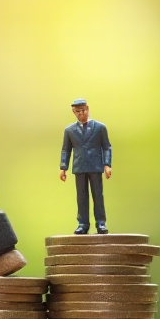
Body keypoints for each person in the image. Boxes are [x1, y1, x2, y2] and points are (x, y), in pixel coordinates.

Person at [59, 98, 112, 234]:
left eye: (82, 110)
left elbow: (106, 147)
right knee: (81, 196)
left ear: (87, 109)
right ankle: (82, 224)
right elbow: (66, 149)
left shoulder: (100, 128)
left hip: (95, 165)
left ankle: (101, 223)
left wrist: (107, 164)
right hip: (79, 166)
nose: (80, 114)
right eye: (77, 111)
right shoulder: (69, 130)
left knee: (97, 195)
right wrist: (63, 167)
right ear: (73, 112)